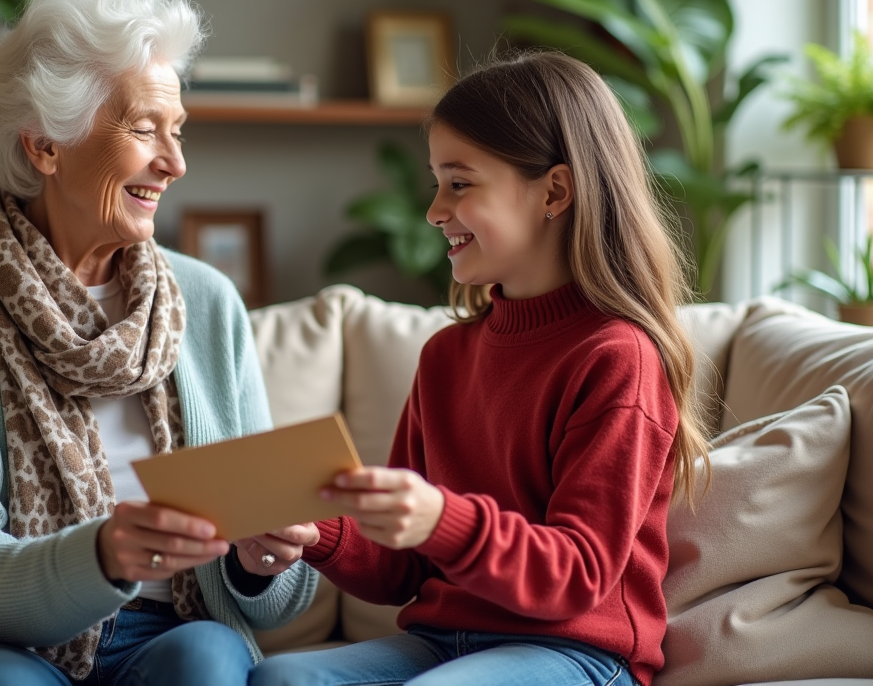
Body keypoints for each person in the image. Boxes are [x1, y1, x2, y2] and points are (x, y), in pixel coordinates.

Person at [0, 0, 318, 686]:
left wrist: (264, 558)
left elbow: (271, 604)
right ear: (45, 145)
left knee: (211, 659)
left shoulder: (209, 301)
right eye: (144, 130)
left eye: (179, 131)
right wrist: (103, 555)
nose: (175, 162)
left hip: (173, 631)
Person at [251, 51, 712, 686]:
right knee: (280, 680)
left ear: (554, 191)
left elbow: (576, 576)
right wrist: (318, 532)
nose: (434, 211)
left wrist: (443, 517)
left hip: (576, 655)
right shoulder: (446, 357)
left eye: (460, 183)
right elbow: (401, 568)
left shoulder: (618, 358)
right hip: (443, 642)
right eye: (437, 182)